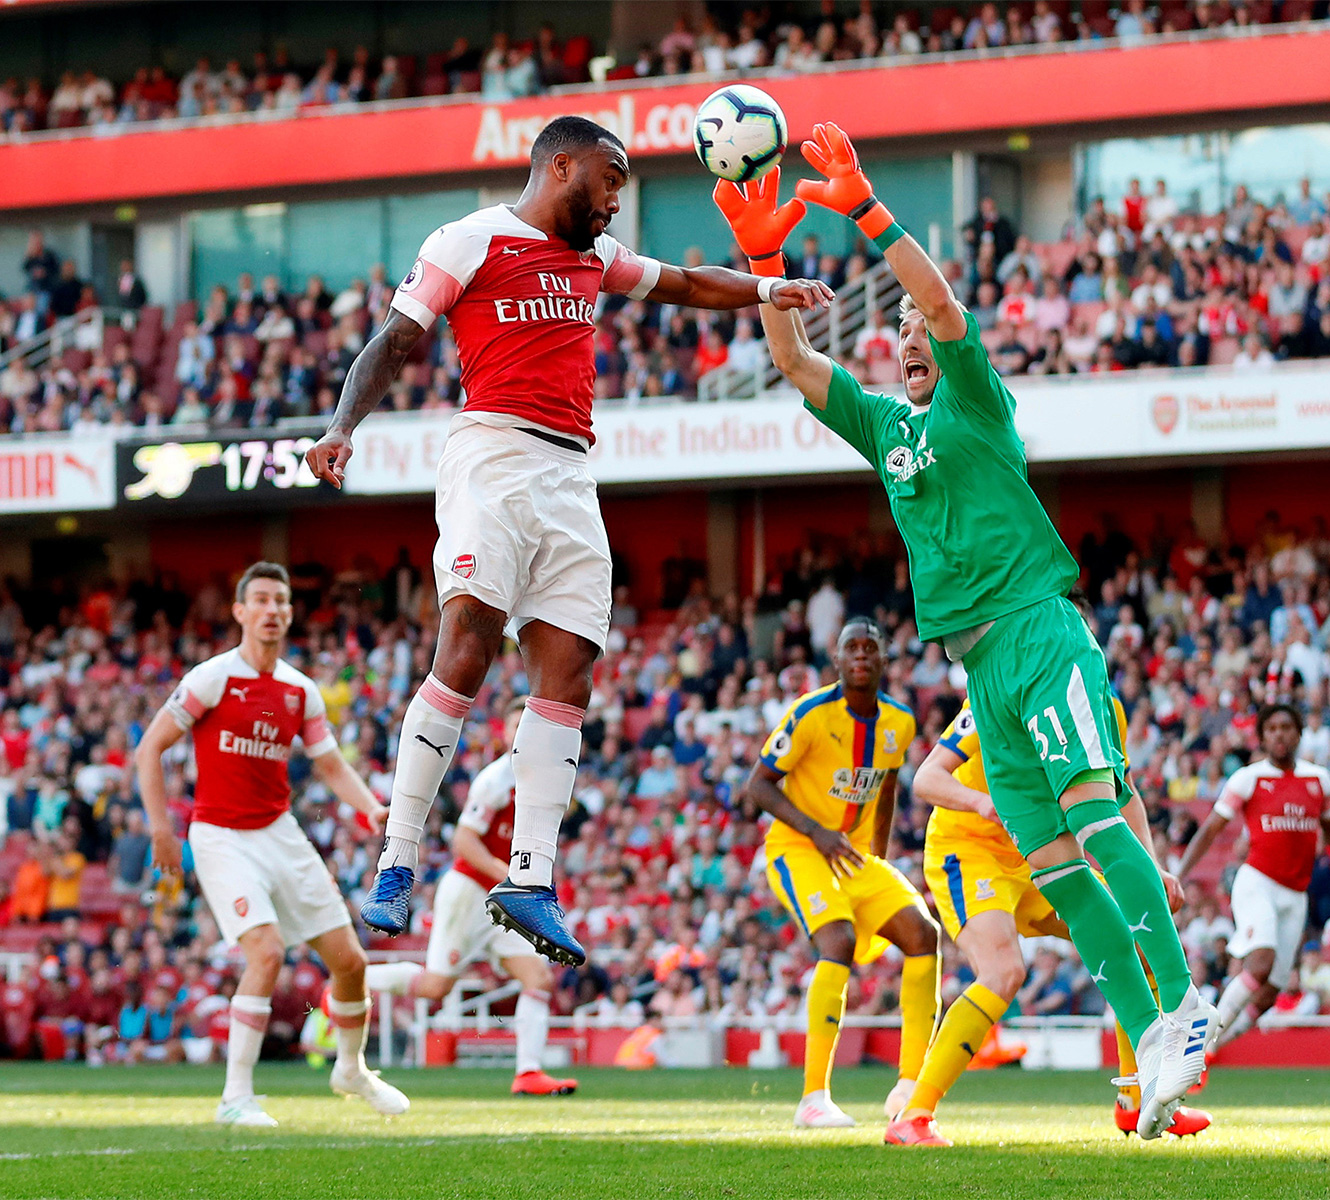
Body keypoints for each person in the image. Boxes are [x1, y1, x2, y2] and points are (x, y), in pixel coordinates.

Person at [715, 124, 1211, 1140]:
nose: (905, 334)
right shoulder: (883, 429)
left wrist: (863, 210)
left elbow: (940, 301)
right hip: (981, 669)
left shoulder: (976, 400)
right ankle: (1147, 1043)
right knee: (1063, 871)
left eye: (912, 323)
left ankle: (1184, 1003)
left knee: (1098, 817)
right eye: (892, 327)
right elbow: (795, 362)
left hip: (1039, 631)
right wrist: (763, 262)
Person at [305, 115, 831, 963]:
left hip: (571, 474)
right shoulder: (470, 239)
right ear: (561, 165)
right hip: (494, 456)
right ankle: (398, 858)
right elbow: (395, 340)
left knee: (570, 671)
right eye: (611, 177)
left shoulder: (595, 261)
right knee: (469, 637)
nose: (618, 198)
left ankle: (531, 877)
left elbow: (688, 285)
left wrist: (770, 290)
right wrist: (341, 428)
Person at [134, 561, 406, 1128]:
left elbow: (330, 765)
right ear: (239, 611)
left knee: (350, 962)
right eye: (260, 600)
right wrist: (162, 828)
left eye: (280, 601)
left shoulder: (299, 691)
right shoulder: (212, 678)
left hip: (280, 831)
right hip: (220, 834)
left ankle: (351, 1070)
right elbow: (149, 749)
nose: (272, 610)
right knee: (266, 951)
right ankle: (236, 1097)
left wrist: (371, 807)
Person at [899, 693, 1210, 1147]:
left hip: (1044, 853)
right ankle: (914, 1115)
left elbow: (1121, 792)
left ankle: (1136, 1099)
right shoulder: (995, 691)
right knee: (1004, 970)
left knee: (1137, 940)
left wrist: (1151, 866)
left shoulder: (1103, 705)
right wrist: (981, 803)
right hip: (971, 850)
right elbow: (927, 778)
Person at [741, 618, 939, 1129]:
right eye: (852, 646)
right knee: (839, 941)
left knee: (923, 934)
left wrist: (879, 852)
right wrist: (817, 832)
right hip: (798, 847)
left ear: (885, 660)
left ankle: (910, 1086)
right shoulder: (810, 713)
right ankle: (814, 1098)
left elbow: (889, 786)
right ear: (836, 658)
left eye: (871, 648)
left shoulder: (899, 721)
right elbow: (757, 786)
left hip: (852, 853)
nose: (861, 655)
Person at [365, 698, 578, 1097]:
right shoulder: (495, 780)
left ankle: (528, 1073)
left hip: (503, 898)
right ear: (505, 733)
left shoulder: (538, 780)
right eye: (516, 726)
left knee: (538, 977)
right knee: (435, 988)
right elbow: (464, 842)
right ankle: (353, 979)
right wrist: (511, 876)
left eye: (528, 727)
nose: (522, 734)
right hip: (470, 892)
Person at [1176, 703, 1330, 1051]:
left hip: (1296, 894)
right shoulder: (1249, 778)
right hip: (1257, 881)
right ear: (1262, 736)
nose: (1279, 734)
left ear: (1299, 733)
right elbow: (1211, 829)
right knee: (1259, 963)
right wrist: (1178, 874)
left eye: (1287, 727)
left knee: (1270, 993)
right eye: (1272, 728)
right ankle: (1196, 1046)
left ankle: (1211, 1050)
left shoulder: (1318, 780)